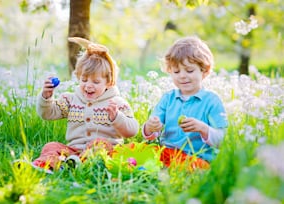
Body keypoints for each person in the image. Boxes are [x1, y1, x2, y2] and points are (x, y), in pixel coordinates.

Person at [32, 37, 139, 172]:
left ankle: (79, 165)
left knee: (100, 145)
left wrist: (117, 117)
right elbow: (47, 114)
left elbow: (132, 130)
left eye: (95, 82)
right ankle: (46, 166)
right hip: (74, 151)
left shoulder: (116, 103)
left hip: (105, 153)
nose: (88, 85)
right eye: (84, 80)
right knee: (51, 146)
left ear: (109, 82)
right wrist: (46, 97)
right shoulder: (71, 100)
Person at [142, 36, 228, 170]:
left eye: (189, 70)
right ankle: (154, 169)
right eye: (176, 71)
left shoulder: (212, 101)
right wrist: (150, 126)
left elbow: (221, 140)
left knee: (197, 168)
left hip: (196, 158)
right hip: (168, 153)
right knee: (143, 152)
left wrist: (203, 128)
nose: (182, 76)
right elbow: (151, 134)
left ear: (204, 71)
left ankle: (164, 170)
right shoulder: (168, 99)